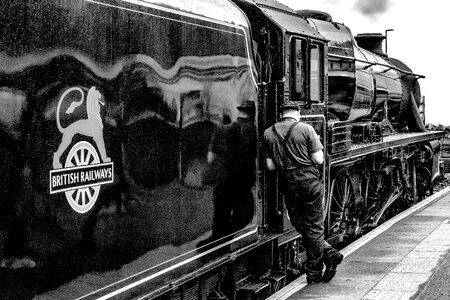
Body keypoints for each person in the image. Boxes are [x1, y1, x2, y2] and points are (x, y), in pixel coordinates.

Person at [263, 101, 343, 284]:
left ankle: (329, 256)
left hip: (288, 184)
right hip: (309, 181)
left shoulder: (269, 133)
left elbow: (269, 166)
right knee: (314, 227)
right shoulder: (306, 129)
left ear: (281, 114)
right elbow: (319, 159)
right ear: (297, 114)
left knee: (301, 225)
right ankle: (317, 269)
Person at [199, 100, 256, 246]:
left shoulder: (221, 130)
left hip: (221, 183)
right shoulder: (254, 132)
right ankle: (224, 241)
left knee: (220, 217)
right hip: (242, 185)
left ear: (239, 112)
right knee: (245, 217)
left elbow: (210, 158)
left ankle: (217, 246)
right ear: (252, 114)